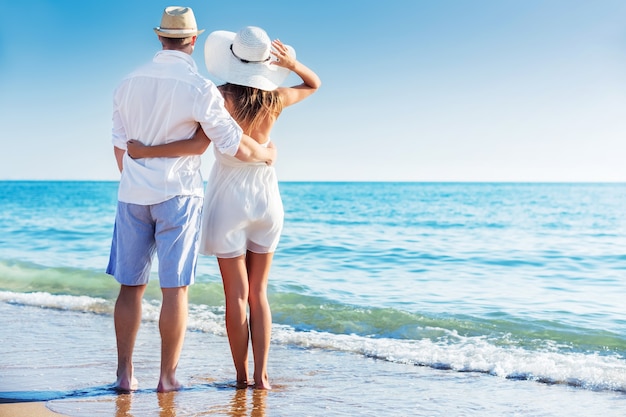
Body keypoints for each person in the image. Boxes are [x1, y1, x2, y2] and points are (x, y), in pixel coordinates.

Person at [127, 26, 321, 389]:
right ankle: (262, 378)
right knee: (260, 293)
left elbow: (196, 143)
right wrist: (293, 63)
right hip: (266, 197)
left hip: (228, 199)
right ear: (265, 64)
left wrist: (146, 151)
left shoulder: (219, 97)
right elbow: (313, 84)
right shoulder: (277, 98)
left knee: (237, 295)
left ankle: (241, 376)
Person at [107, 8, 277, 393]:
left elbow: (120, 147)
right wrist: (266, 155)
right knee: (174, 289)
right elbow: (231, 142)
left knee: (129, 288)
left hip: (132, 194)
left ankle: (123, 375)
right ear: (194, 41)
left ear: (159, 38)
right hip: (179, 195)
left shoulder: (126, 82)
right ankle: (166, 377)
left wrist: (139, 175)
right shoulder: (200, 87)